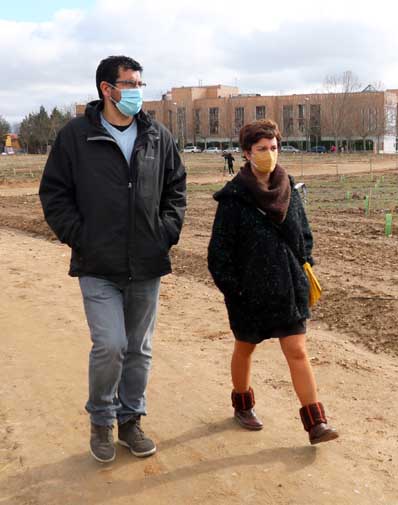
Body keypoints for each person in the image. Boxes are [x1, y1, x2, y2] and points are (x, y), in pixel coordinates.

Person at [38, 55, 187, 463]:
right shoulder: (75, 137)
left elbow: (176, 187)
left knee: (139, 347)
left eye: (140, 82)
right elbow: (53, 194)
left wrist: (165, 233)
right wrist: (80, 237)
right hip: (97, 264)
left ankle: (130, 421)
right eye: (130, 83)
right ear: (107, 89)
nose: (138, 90)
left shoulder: (157, 135)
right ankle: (101, 420)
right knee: (110, 344)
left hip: (146, 262)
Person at [207, 119, 338, 445]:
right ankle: (242, 404)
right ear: (247, 154)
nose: (269, 154)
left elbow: (303, 235)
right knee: (245, 349)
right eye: (261, 149)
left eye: (274, 147)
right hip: (248, 295)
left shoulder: (290, 189)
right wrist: (236, 291)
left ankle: (315, 422)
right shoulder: (233, 199)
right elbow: (218, 255)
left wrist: (304, 267)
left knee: (296, 350)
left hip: (287, 289)